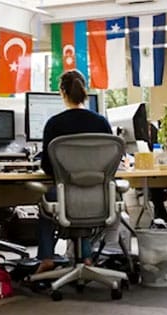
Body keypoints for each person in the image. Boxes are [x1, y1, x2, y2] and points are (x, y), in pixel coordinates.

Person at [36, 70, 113, 274]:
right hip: (99, 198)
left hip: (64, 196)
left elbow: (46, 167)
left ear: (62, 92)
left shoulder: (54, 124)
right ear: (84, 91)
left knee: (46, 199)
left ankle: (46, 257)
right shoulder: (101, 123)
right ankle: (86, 257)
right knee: (84, 197)